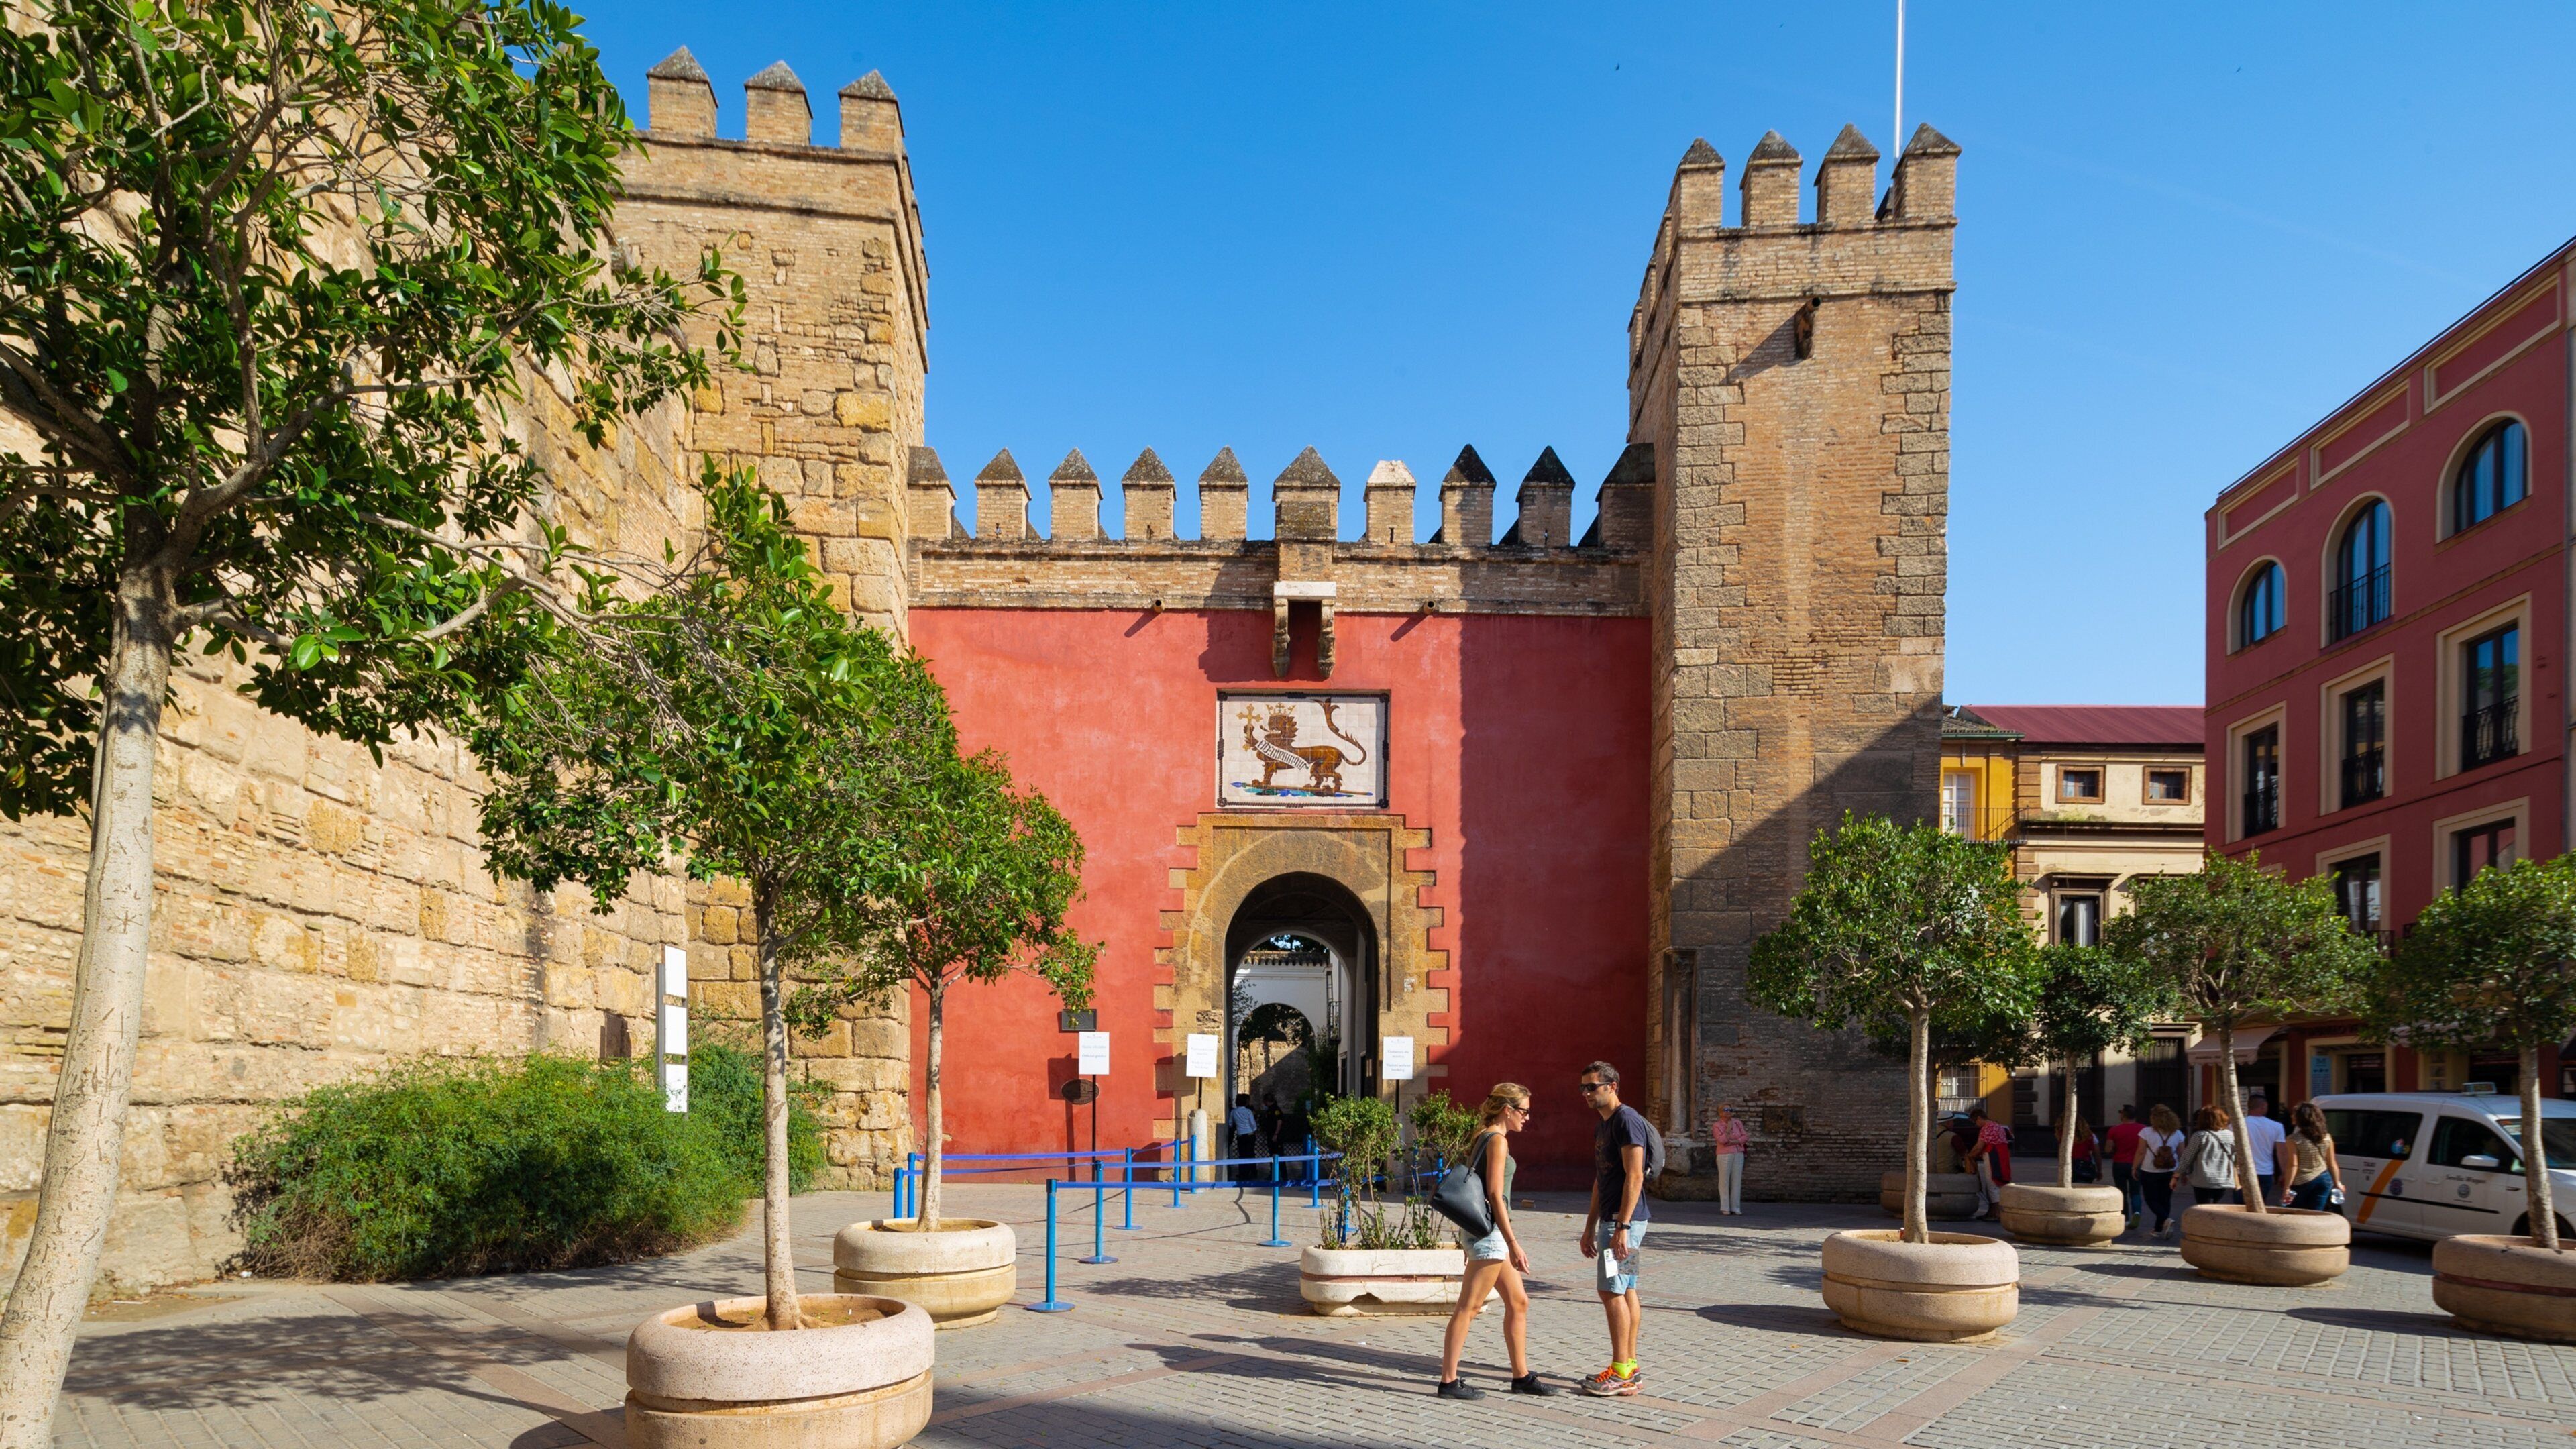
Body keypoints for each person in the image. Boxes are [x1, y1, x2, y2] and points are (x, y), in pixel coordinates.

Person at [1436, 1084, 1556, 1399]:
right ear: (1507, 1109)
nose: (1527, 1118)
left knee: (1519, 1302)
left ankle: (1521, 1376)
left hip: (1485, 1233)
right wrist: (1513, 1243)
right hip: (1491, 1235)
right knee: (1468, 1307)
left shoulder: (1483, 1136)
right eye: (1524, 1111)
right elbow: (1493, 1194)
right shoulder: (1498, 1140)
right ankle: (1448, 1382)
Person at [1578, 1061, 1650, 1397]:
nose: (1587, 1094)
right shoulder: (1602, 1126)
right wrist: (1589, 1225)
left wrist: (1621, 1225)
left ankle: (1620, 1369)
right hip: (1613, 1220)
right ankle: (1629, 1366)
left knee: (1611, 1291)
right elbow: (1601, 1180)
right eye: (1584, 1088)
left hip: (1624, 1221)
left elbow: (1635, 1175)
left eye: (1592, 1087)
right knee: (1626, 1289)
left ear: (1613, 1086)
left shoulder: (1627, 1120)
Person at [2284, 1101, 2347, 1212]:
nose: (2292, 1116)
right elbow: (2332, 1163)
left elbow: (2293, 1165)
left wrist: (2287, 1187)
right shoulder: (2326, 1137)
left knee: (2294, 1214)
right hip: (2324, 1179)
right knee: (2316, 1213)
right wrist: (2338, 1183)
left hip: (2302, 1181)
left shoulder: (2293, 1139)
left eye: (2294, 1114)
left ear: (2301, 1118)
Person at [2178, 1104, 2239, 1217]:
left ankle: (2206, 1231)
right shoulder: (2231, 1135)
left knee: (2205, 1210)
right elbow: (2235, 1158)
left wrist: (2177, 1175)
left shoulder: (2200, 1136)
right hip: (2223, 1179)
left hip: (2204, 1179)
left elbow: (2187, 1157)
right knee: (2214, 1207)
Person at [2136, 1104, 2185, 1238]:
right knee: (2165, 1199)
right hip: (2170, 1171)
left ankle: (2165, 1220)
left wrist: (2134, 1167)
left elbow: (2141, 1152)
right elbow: (2182, 1154)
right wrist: (2182, 1173)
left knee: (2151, 1199)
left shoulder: (2146, 1132)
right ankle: (2159, 1229)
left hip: (2149, 1170)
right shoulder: (2178, 1133)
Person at [1964, 1105, 2012, 1220]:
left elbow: (1979, 1147)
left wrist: (1970, 1156)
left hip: (1993, 1156)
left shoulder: (1987, 1128)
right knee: (1996, 1184)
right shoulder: (1997, 1125)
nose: (1976, 1124)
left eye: (1975, 1121)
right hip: (2001, 1156)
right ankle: (1992, 1212)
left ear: (1980, 1118)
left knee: (1992, 1184)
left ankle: (1996, 1213)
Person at [2241, 1091, 2288, 1208]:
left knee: (2240, 1207)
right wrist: (2284, 1173)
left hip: (2243, 1172)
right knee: (2260, 1206)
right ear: (2263, 1106)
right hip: (2265, 1172)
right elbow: (2281, 1152)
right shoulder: (2277, 1126)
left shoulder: (2238, 1125)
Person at [2105, 1105, 2146, 1227]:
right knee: (2136, 1192)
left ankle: (2126, 1218)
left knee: (2122, 1191)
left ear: (2123, 1115)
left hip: (2119, 1164)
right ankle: (2137, 1212)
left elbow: (2108, 1149)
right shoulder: (2143, 1130)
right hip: (2137, 1164)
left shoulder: (2114, 1130)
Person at [1709, 1104, 1749, 1215]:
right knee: (1724, 1180)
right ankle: (1725, 1206)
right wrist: (1729, 1129)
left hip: (1738, 1153)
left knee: (1736, 1180)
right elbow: (1722, 1140)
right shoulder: (1717, 1125)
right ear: (1720, 1112)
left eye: (1730, 1110)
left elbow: (1745, 1137)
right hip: (1724, 1155)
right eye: (1726, 1110)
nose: (1728, 1112)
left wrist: (1735, 1141)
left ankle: (1736, 1207)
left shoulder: (1738, 1123)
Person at [1228, 1093, 1258, 1182]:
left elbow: (1230, 1123)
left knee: (1242, 1155)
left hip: (1240, 1136)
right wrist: (1255, 1130)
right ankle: (1251, 1173)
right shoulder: (1248, 1111)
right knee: (1250, 1154)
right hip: (1250, 1135)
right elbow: (1253, 1123)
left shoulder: (1234, 1112)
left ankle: (1242, 1173)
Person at [2068, 1115, 2100, 1185]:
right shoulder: (2090, 1136)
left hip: (2071, 1164)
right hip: (2086, 1164)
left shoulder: (2066, 1136)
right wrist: (2099, 1171)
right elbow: (2097, 1155)